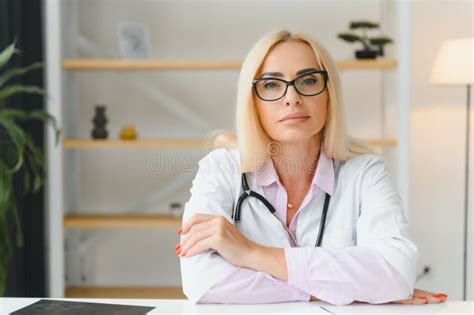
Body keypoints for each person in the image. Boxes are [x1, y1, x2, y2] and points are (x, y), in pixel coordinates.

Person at [176, 29, 448, 305]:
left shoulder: (367, 173)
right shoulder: (220, 169)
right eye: (272, 84)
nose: (291, 97)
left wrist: (250, 253)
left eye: (307, 81)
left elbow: (396, 273)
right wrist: (346, 289)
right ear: (253, 102)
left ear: (329, 95)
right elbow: (203, 282)